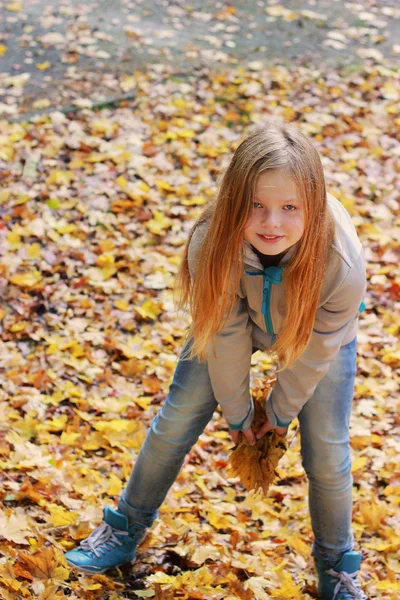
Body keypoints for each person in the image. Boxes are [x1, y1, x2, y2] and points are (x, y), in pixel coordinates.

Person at [65, 121, 368, 599]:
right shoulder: (212, 241)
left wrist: (280, 415)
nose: (272, 223)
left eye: (290, 208)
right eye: (256, 206)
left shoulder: (340, 260)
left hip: (314, 335)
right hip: (234, 320)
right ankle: (125, 528)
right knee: (177, 417)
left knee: (328, 452)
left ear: (313, 203)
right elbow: (226, 334)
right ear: (233, 202)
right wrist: (240, 414)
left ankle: (337, 565)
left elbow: (314, 352)